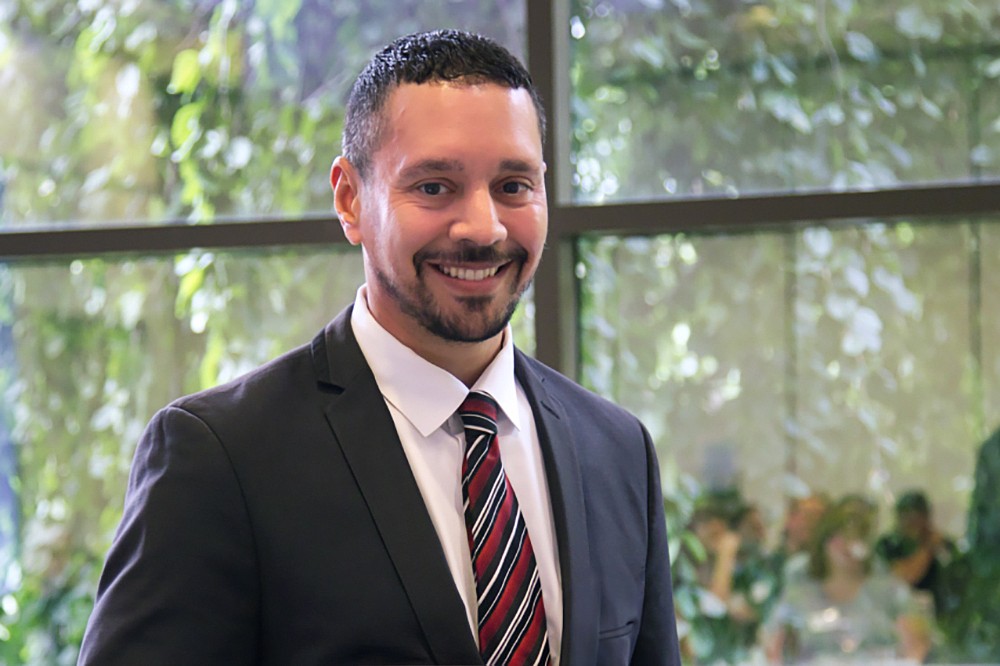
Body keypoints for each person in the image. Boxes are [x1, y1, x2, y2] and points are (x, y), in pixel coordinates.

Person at [77, 30, 681, 665]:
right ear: (350, 200)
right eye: (433, 187)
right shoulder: (220, 458)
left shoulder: (616, 452)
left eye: (513, 185)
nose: (483, 227)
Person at [762, 496, 932, 664]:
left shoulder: (889, 591)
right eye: (839, 535)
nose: (847, 544)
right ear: (824, 539)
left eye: (857, 536)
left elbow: (916, 646)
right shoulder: (800, 592)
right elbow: (773, 645)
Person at [875, 489, 957, 616]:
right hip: (898, 615)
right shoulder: (887, 545)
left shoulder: (942, 543)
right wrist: (927, 548)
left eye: (917, 516)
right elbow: (901, 578)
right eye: (905, 515)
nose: (911, 522)